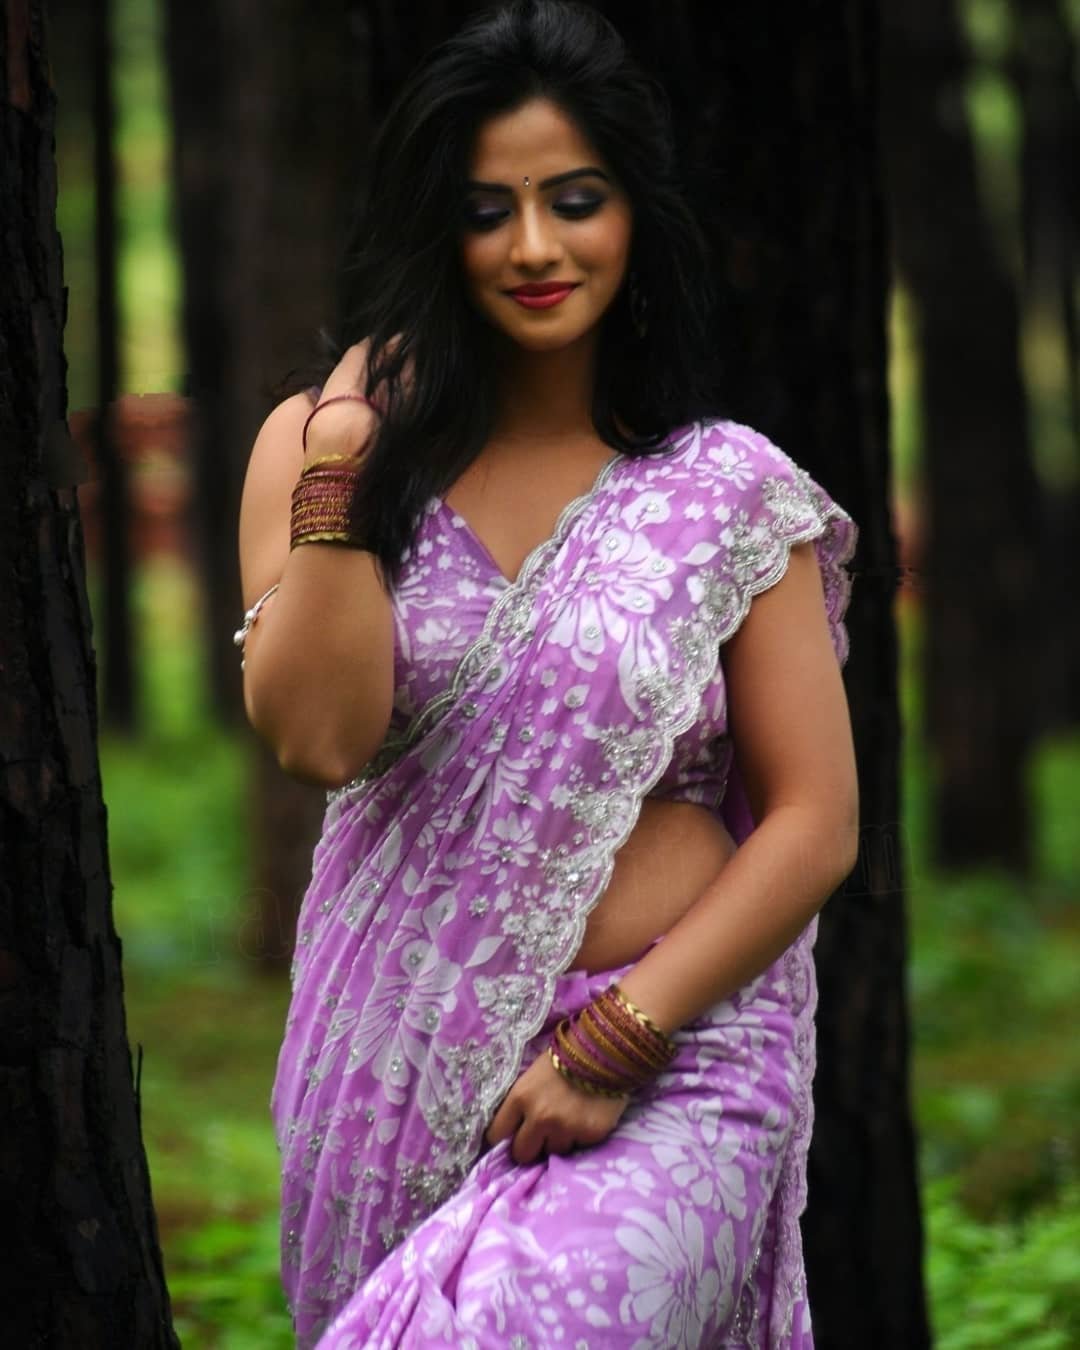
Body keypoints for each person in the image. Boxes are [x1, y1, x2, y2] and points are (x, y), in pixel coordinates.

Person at [236, 2, 859, 1345]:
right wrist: (344, 463)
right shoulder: (325, 448)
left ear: (634, 215)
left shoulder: (726, 491)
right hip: (394, 1071)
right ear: (436, 230)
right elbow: (317, 738)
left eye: (575, 200)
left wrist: (625, 1030)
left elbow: (815, 820)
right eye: (488, 210)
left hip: (678, 1051)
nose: (534, 247)